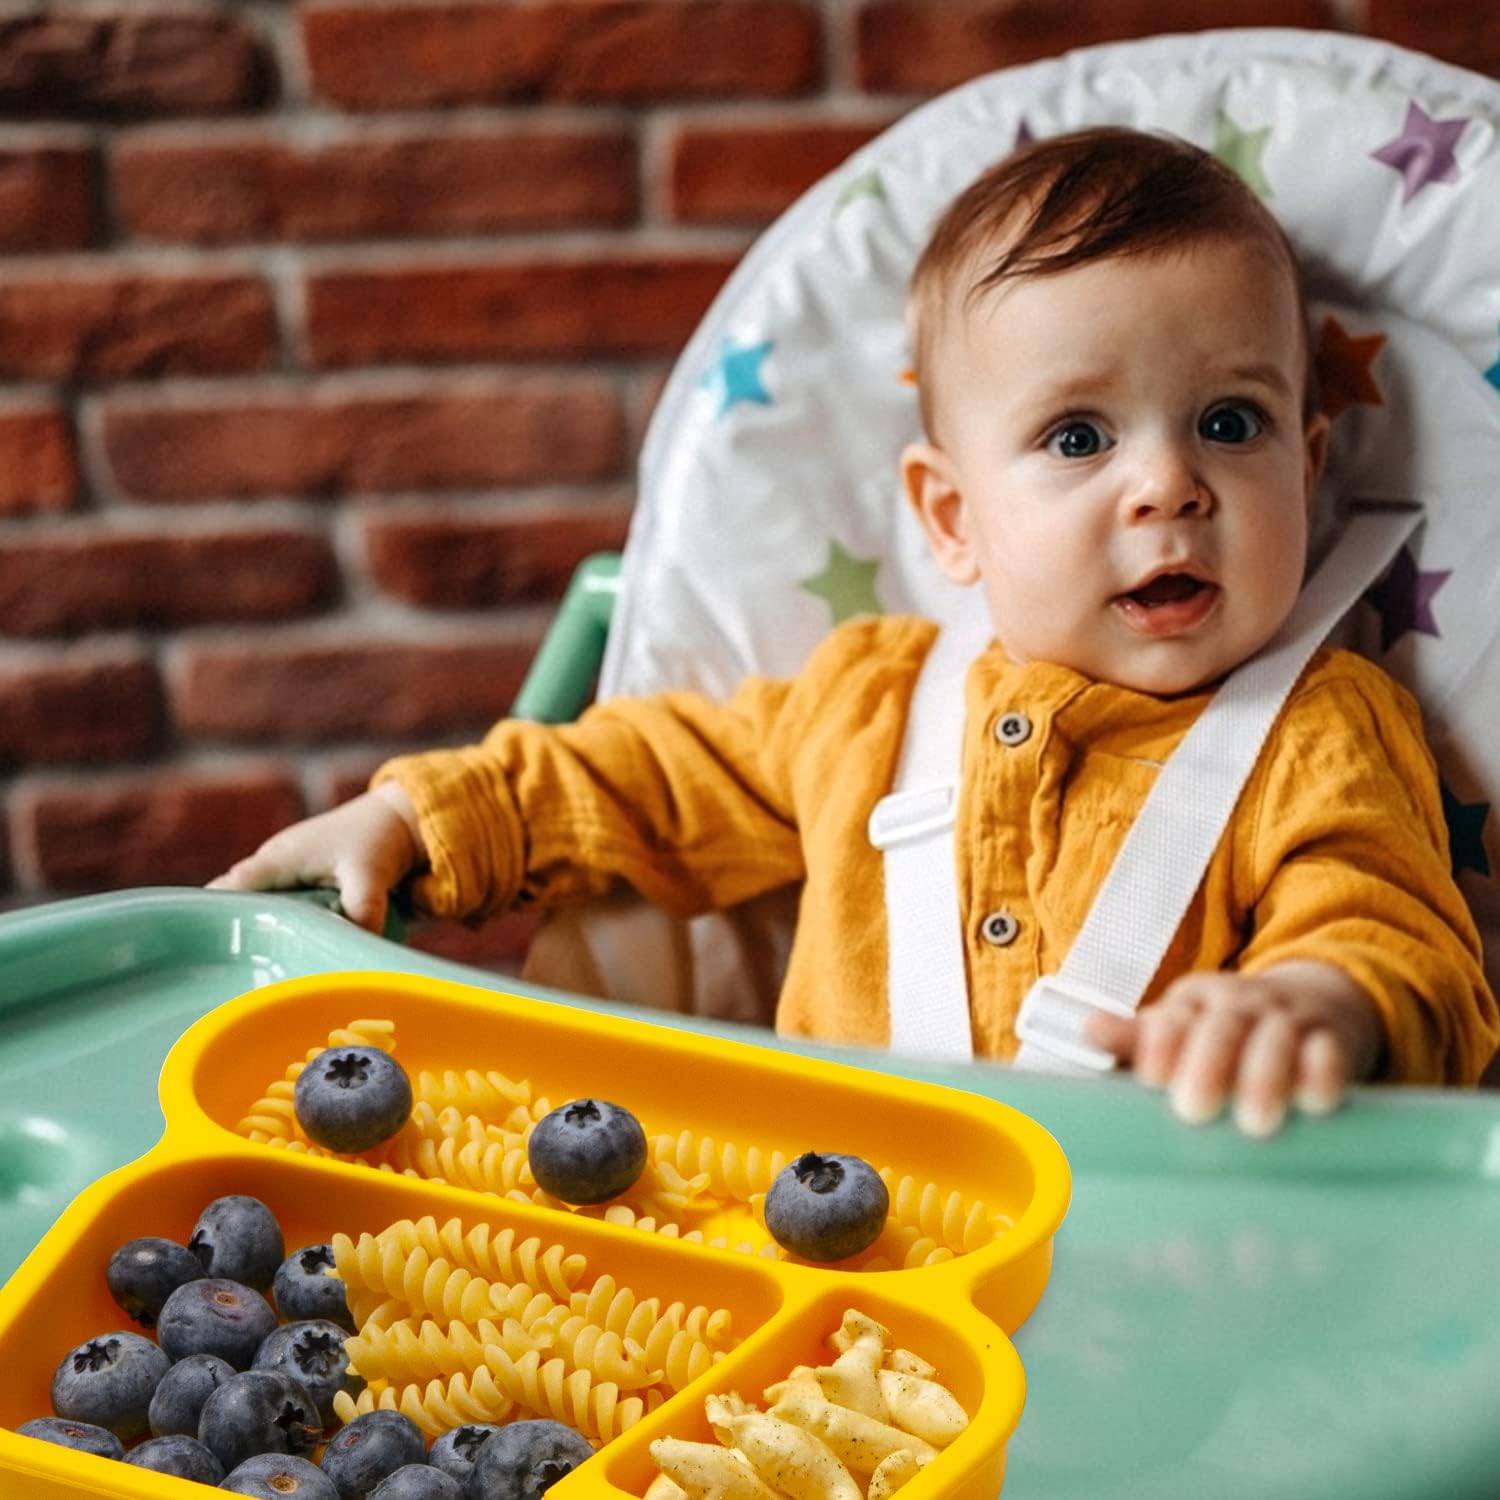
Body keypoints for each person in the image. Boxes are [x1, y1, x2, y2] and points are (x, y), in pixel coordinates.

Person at [211, 127, 1497, 1138]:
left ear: (1311, 463)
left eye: (1231, 422)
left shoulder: (1324, 728)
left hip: (1175, 1267)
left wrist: (1319, 1003)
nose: (1168, 485)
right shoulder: (869, 703)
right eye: (1077, 438)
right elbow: (638, 779)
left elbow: (1386, 918)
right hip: (829, 1267)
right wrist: (424, 822)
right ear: (953, 516)